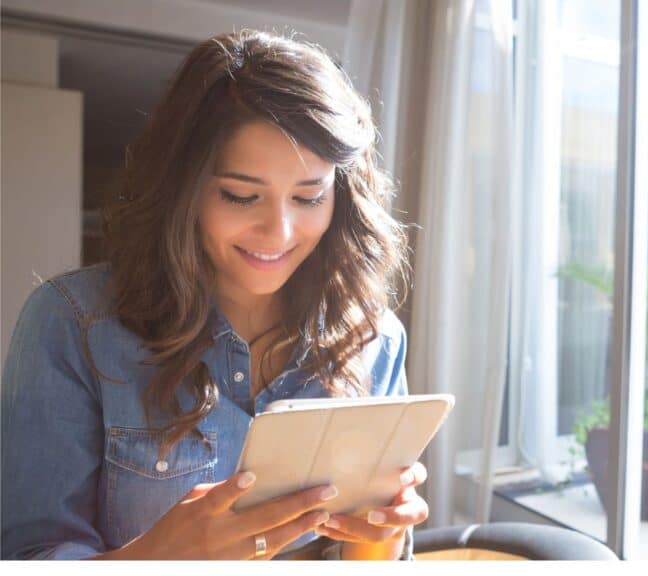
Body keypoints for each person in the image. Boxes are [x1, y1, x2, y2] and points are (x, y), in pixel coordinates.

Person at [0, 29, 427, 560]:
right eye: (241, 196)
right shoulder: (74, 325)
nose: (281, 232)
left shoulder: (374, 338)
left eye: (309, 196)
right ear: (185, 188)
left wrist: (384, 534)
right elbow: (25, 556)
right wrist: (160, 557)